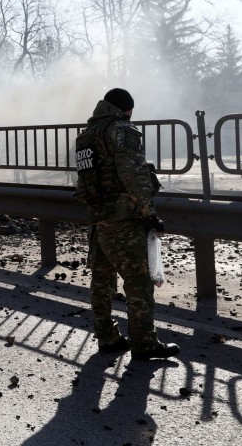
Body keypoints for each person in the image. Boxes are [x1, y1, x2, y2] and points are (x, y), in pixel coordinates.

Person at [74, 88, 179, 360]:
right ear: (126, 109)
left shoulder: (85, 136)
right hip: (123, 220)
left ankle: (107, 337)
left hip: (97, 219)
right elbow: (134, 175)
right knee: (138, 283)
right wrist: (148, 213)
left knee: (102, 281)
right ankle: (144, 344)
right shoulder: (121, 129)